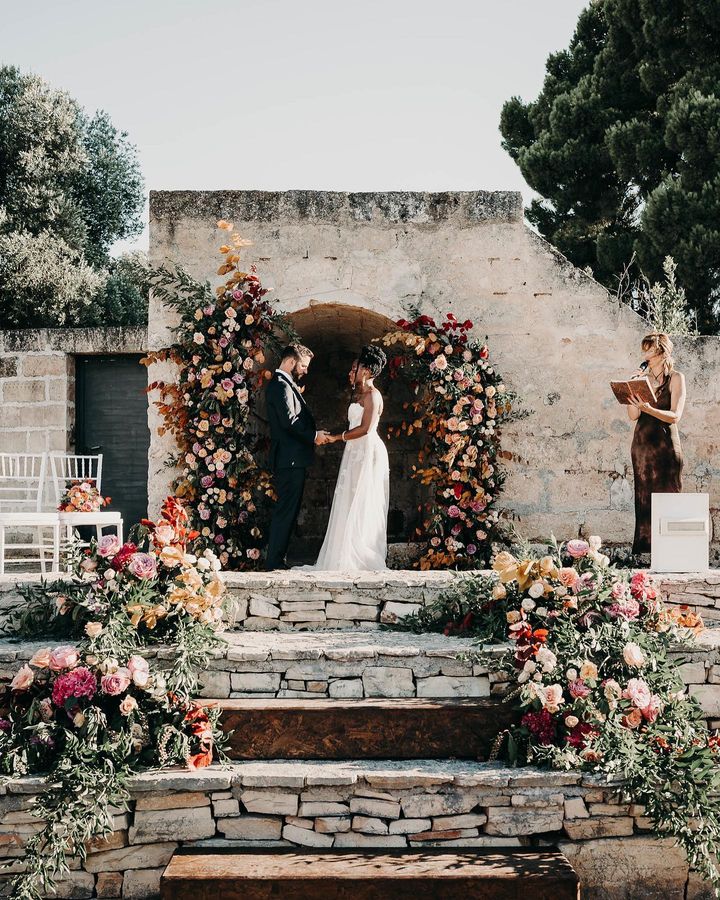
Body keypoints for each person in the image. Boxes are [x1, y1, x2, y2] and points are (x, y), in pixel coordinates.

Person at [305, 344, 390, 571]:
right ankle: (343, 552)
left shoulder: (373, 395)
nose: (350, 372)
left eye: (355, 368)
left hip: (367, 451)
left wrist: (336, 438)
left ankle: (361, 553)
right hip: (354, 451)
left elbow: (366, 429)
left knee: (362, 499)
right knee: (349, 498)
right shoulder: (359, 393)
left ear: (368, 370)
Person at [264, 344, 330, 570]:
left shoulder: (285, 385)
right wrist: (314, 436)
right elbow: (289, 422)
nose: (306, 370)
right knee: (286, 511)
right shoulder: (280, 386)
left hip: (292, 460)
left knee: (289, 510)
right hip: (289, 460)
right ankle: (274, 561)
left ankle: (277, 558)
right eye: (303, 365)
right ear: (291, 362)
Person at [627, 332, 686, 557]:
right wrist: (632, 388)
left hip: (666, 447)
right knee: (644, 498)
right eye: (644, 350)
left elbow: (675, 415)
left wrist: (650, 409)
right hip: (642, 446)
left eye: (649, 350)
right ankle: (646, 554)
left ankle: (673, 553)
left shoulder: (677, 378)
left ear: (662, 353)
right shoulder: (642, 378)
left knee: (669, 496)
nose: (645, 355)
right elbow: (633, 415)